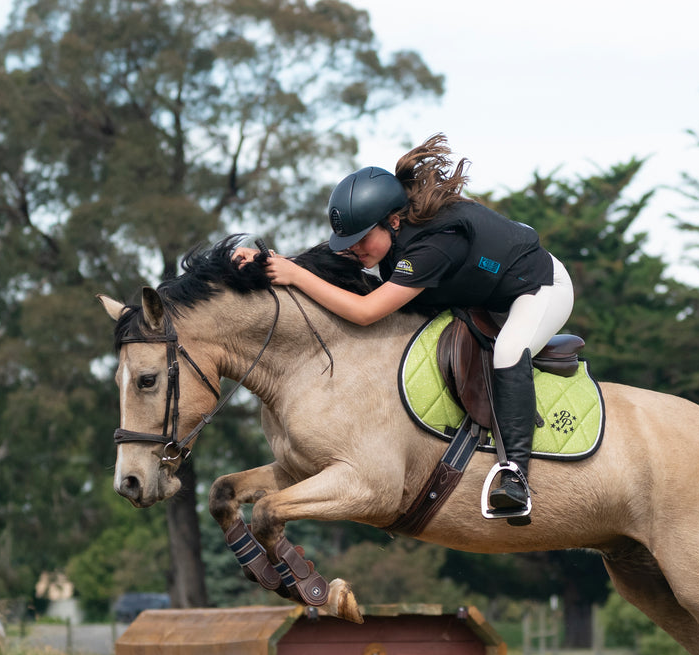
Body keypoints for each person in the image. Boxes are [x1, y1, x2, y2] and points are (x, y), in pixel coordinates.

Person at [234, 134, 574, 522]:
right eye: (349, 240)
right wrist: (269, 260)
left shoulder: (434, 246)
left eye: (362, 239)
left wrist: (294, 274)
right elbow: (327, 262)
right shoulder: (384, 232)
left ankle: (515, 477)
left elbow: (365, 312)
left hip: (539, 288)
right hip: (482, 295)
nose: (354, 249)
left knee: (509, 350)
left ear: (393, 222)